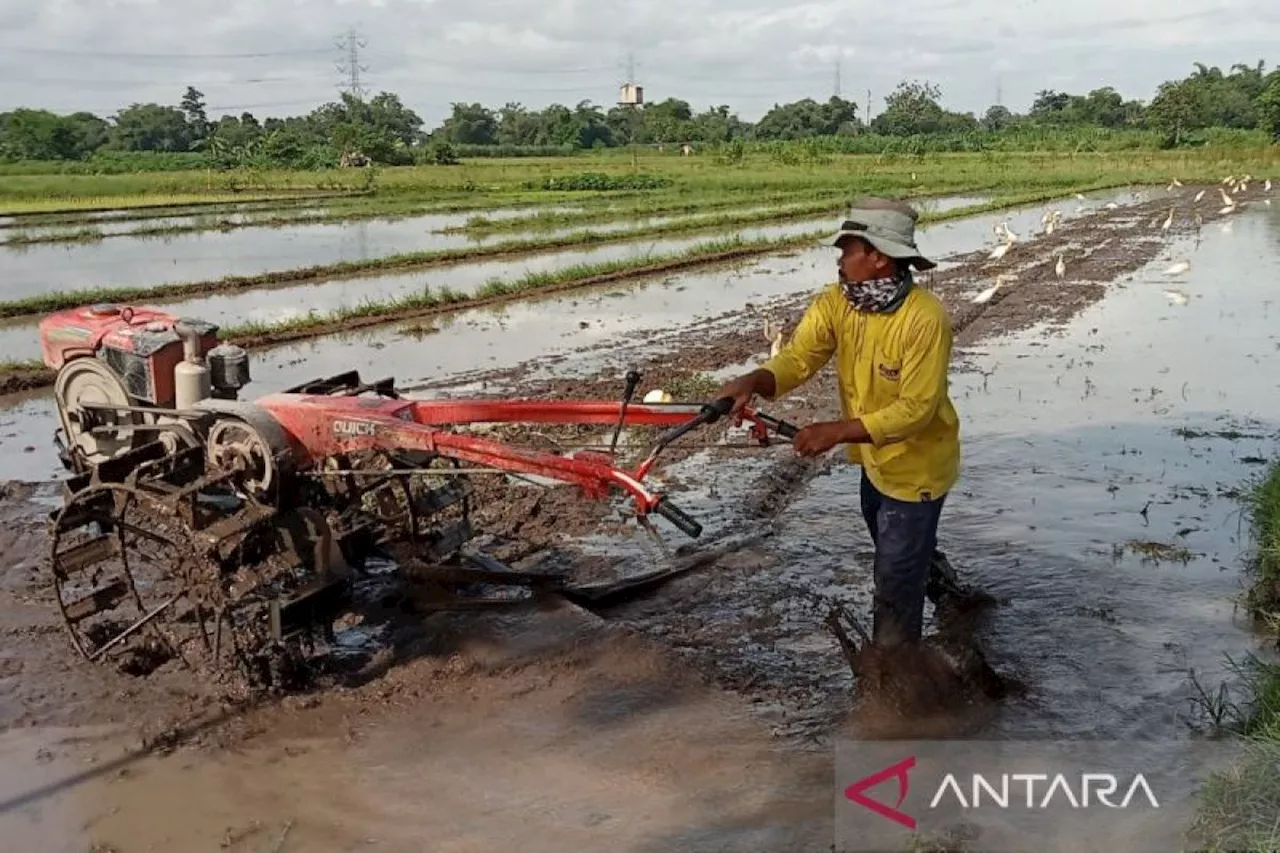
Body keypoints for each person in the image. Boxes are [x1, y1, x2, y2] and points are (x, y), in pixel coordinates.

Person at [713, 197, 989, 653]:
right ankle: (956, 601)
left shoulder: (924, 319)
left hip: (916, 468)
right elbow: (799, 357)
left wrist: (835, 431)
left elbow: (916, 410)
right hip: (874, 462)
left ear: (878, 256)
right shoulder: (837, 304)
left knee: (894, 580)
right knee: (898, 550)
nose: (839, 260)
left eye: (847, 249)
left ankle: (894, 676)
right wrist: (753, 380)